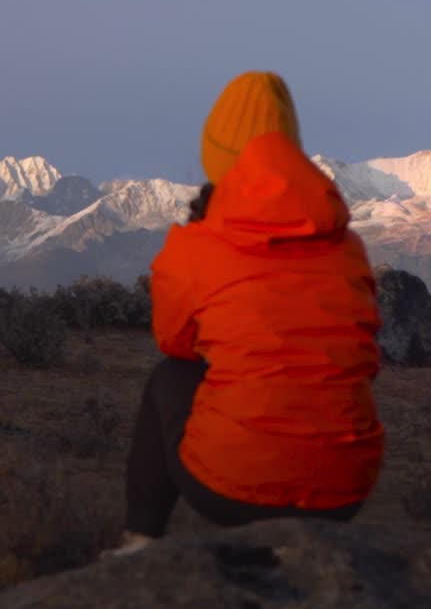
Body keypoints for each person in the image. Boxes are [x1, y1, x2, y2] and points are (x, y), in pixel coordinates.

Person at [102, 71, 384, 557]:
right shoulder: (347, 245)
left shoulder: (200, 244)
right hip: (344, 492)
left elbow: (176, 343)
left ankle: (141, 541)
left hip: (233, 493)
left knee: (170, 377)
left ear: (217, 157)